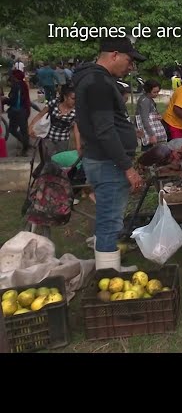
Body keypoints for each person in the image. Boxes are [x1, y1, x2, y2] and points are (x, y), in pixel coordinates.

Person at [73, 37, 146, 272]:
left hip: (102, 159)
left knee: (108, 216)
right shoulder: (98, 83)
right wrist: (128, 166)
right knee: (110, 221)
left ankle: (106, 262)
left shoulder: (94, 79)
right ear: (114, 54)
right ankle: (108, 273)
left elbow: (98, 123)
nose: (131, 66)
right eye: (129, 60)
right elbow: (104, 130)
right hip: (108, 163)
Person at [28, 84, 81, 160]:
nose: (75, 101)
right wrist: (31, 126)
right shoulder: (54, 103)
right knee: (47, 160)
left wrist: (78, 146)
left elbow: (76, 130)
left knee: (60, 161)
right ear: (65, 97)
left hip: (63, 140)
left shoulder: (77, 110)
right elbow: (40, 115)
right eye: (73, 98)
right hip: (48, 137)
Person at [2, 70, 31, 156]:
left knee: (13, 129)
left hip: (17, 111)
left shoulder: (16, 86)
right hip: (23, 110)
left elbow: (14, 101)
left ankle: (25, 146)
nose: (10, 78)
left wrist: (4, 99)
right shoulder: (22, 84)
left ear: (15, 77)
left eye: (11, 76)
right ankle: (26, 145)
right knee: (23, 130)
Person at [135, 79, 167, 151]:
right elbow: (144, 119)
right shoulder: (145, 101)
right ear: (148, 91)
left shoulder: (149, 99)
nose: (156, 94)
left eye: (157, 92)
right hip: (148, 131)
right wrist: (151, 134)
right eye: (154, 92)